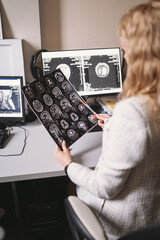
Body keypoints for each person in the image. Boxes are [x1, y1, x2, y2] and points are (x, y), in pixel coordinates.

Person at [54, 1, 160, 240]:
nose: (124, 54)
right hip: (155, 214)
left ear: (141, 54)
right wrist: (114, 124)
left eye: (126, 48)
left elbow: (105, 188)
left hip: (127, 224)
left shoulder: (134, 112)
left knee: (70, 187)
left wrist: (68, 165)